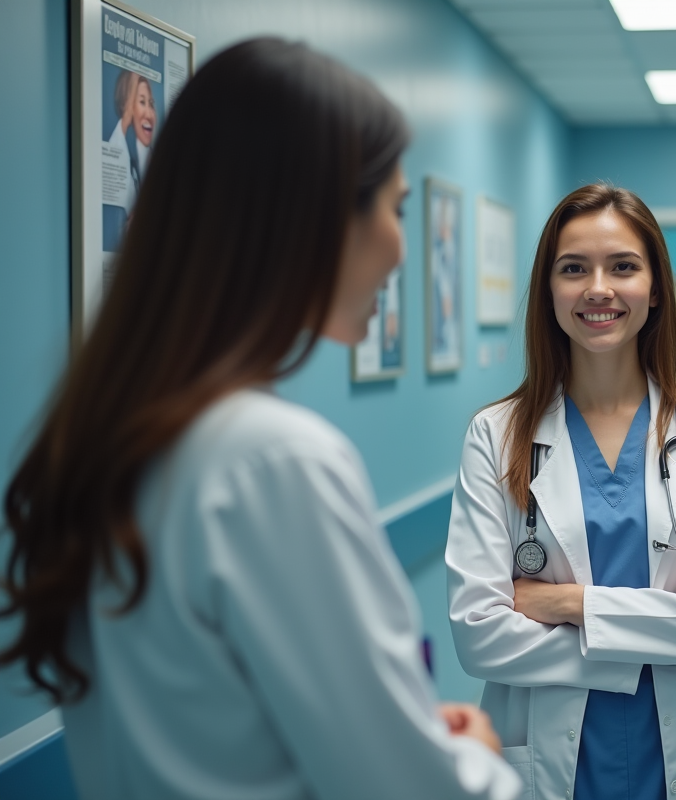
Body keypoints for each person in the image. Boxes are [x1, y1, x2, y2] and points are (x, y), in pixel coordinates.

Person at [1, 38, 520, 800]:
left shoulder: (109, 444)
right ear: (315, 215)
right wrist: (477, 759)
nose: (404, 250)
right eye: (396, 209)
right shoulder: (275, 461)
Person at [446, 184, 676, 800]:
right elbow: (480, 635)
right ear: (549, 291)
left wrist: (569, 604)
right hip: (551, 764)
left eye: (623, 267)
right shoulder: (494, 437)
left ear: (655, 288)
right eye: (573, 268)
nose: (597, 288)